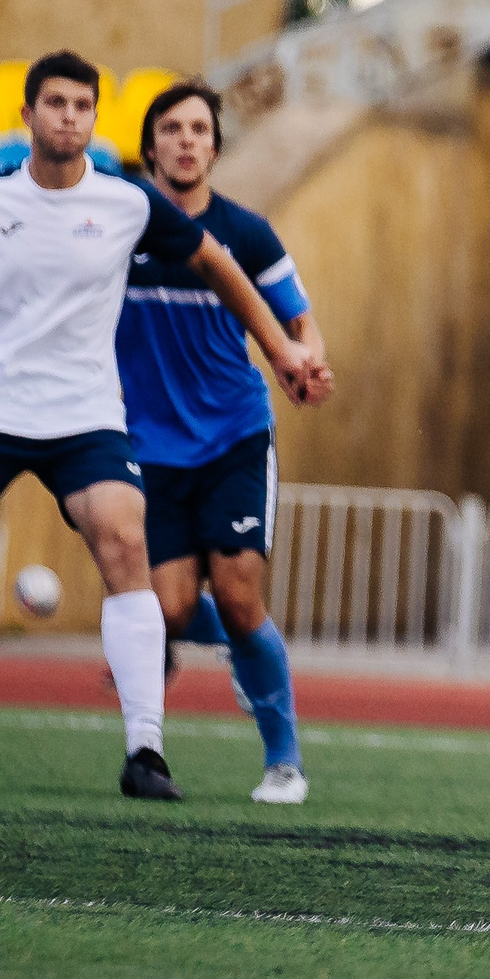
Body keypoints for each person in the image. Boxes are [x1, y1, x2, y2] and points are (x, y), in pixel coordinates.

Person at [0, 51, 325, 801]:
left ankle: (146, 751)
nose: (69, 117)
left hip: (86, 419)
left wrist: (281, 351)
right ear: (28, 115)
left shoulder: (128, 207)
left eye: (83, 105)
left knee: (124, 544)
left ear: (94, 120)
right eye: (56, 103)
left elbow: (220, 266)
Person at [118, 79, 332, 806]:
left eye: (200, 130)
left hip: (235, 436)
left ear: (215, 146)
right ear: (150, 145)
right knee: (171, 610)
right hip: (149, 450)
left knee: (241, 599)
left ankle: (284, 763)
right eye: (172, 128)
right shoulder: (119, 230)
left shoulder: (246, 233)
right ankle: (244, 644)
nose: (186, 140)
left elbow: (300, 322)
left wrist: (306, 360)